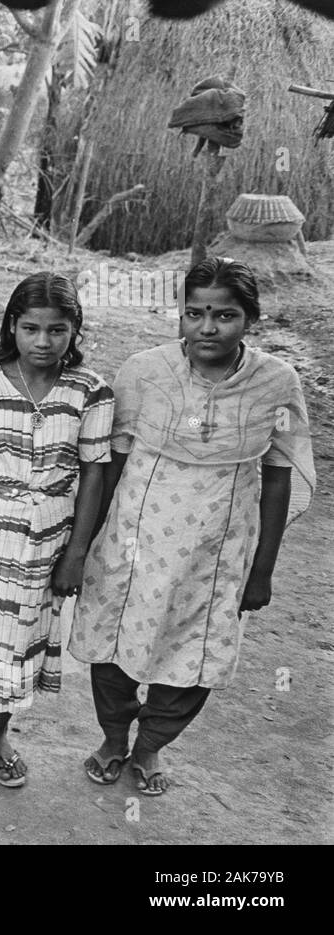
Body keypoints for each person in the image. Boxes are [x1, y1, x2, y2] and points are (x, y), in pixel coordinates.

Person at [70, 257, 315, 796]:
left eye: (224, 315)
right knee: (116, 640)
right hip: (135, 538)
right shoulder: (144, 372)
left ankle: (151, 745)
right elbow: (112, 459)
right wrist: (84, 543)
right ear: (179, 315)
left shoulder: (277, 383)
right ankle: (113, 738)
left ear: (250, 318)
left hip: (218, 546)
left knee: (196, 650)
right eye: (194, 313)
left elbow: (278, 475)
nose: (208, 327)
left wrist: (262, 569)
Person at [0, 272, 112, 789]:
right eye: (31, 328)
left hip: (47, 544)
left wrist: (76, 553)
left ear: (74, 330)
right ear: (12, 326)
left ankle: (0, 731)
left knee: (24, 638)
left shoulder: (90, 392)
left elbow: (94, 471)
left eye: (58, 330)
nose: (43, 341)